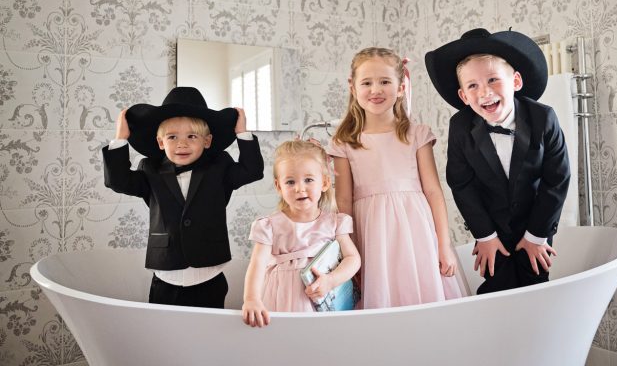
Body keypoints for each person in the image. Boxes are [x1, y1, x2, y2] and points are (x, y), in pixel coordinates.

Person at [425, 28, 570, 294]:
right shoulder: (460, 126)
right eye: (473, 86)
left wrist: (537, 235)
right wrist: (485, 236)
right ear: (463, 97)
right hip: (491, 227)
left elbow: (557, 179)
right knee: (495, 287)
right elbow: (461, 184)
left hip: (535, 222)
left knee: (535, 286)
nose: (485, 92)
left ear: (515, 81)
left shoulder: (543, 118)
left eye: (493, 80)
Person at [102, 86, 264, 308]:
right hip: (166, 275)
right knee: (165, 336)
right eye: (172, 137)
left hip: (209, 274)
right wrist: (120, 139)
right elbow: (118, 181)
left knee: (208, 334)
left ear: (206, 141)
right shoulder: (150, 168)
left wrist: (242, 134)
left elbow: (252, 170)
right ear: (161, 143)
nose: (182, 144)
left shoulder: (220, 166)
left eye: (192, 136)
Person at [328, 47, 464, 309]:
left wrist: (444, 245)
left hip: (417, 233)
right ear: (352, 87)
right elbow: (343, 200)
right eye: (366, 82)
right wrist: (349, 251)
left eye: (385, 82)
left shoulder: (417, 134)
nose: (375, 90)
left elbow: (434, 192)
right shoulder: (344, 142)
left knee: (424, 299)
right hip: (371, 235)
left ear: (401, 87)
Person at [242, 139, 360, 327]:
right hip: (281, 298)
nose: (299, 188)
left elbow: (353, 258)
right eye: (290, 181)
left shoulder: (335, 222)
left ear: (325, 182)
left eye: (308, 180)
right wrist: (251, 299)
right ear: (279, 186)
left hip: (323, 295)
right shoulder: (270, 225)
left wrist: (331, 281)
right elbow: (257, 264)